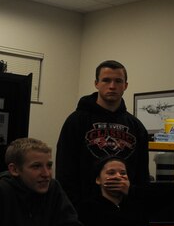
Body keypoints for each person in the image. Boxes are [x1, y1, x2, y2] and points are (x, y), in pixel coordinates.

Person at [57, 60, 150, 207]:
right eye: (106, 80)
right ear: (96, 83)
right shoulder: (76, 121)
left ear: (126, 85)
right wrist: (73, 207)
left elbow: (142, 175)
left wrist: (134, 198)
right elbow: (65, 170)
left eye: (118, 81)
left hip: (126, 210)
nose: (112, 86)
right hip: (85, 210)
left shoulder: (136, 126)